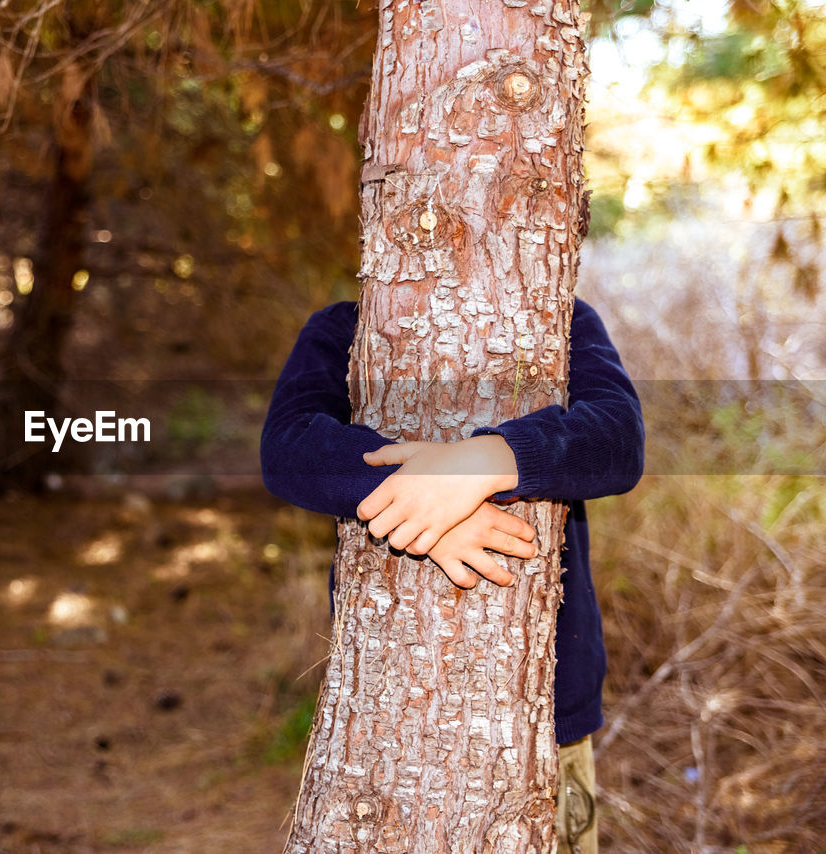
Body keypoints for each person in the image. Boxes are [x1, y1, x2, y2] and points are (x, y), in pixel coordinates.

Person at [260, 296, 645, 854]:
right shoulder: (343, 325)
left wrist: (488, 461)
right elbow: (287, 445)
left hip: (549, 707)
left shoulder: (563, 314)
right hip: (386, 708)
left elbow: (619, 438)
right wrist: (419, 506)